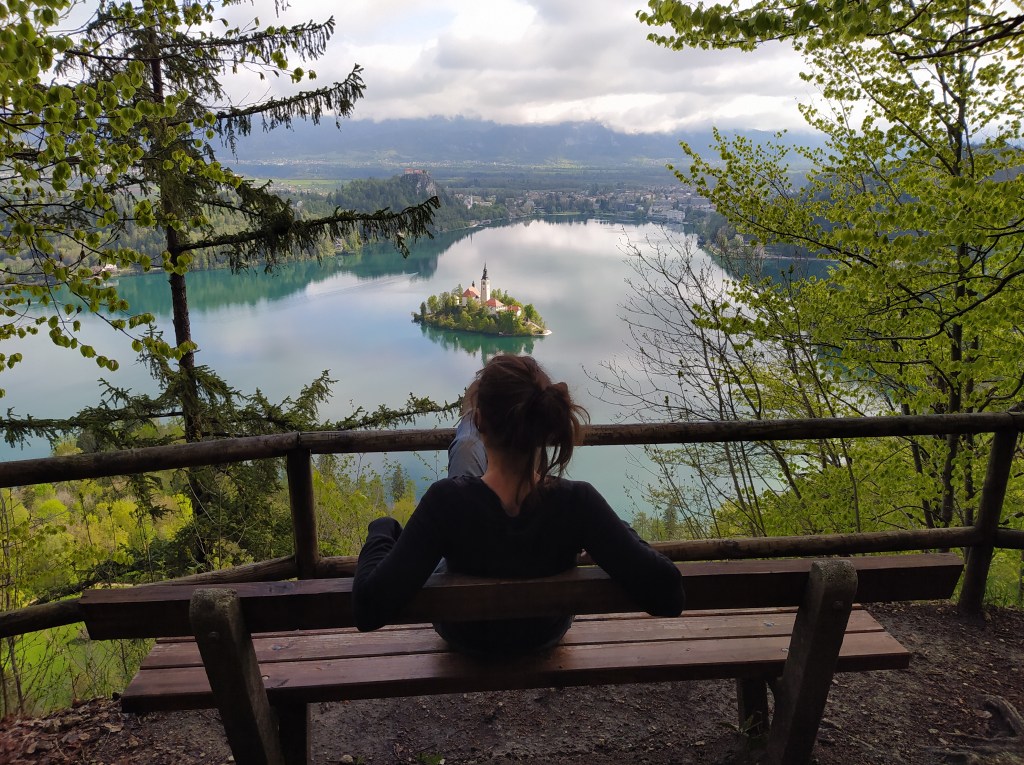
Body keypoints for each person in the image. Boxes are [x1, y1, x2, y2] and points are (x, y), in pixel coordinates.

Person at [352, 354, 685, 658]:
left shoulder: (446, 501)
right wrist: (614, 531)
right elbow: (668, 594)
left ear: (479, 421)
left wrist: (382, 529)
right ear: (545, 427)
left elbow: (369, 609)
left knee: (441, 553)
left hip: (466, 638)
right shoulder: (578, 502)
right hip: (543, 635)